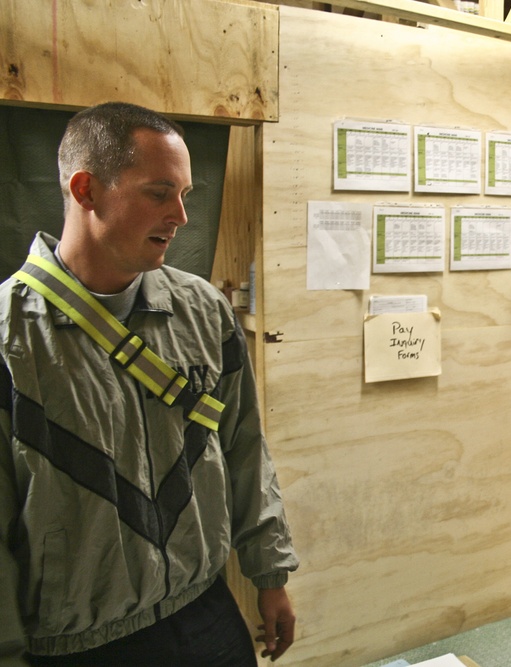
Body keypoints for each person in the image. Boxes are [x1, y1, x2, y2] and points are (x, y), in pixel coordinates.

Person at [0, 102, 299, 665]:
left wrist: (270, 572)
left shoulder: (203, 311)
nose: (181, 216)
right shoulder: (10, 337)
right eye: (159, 193)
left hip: (206, 616)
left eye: (185, 195)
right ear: (86, 190)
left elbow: (243, 449)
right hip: (78, 646)